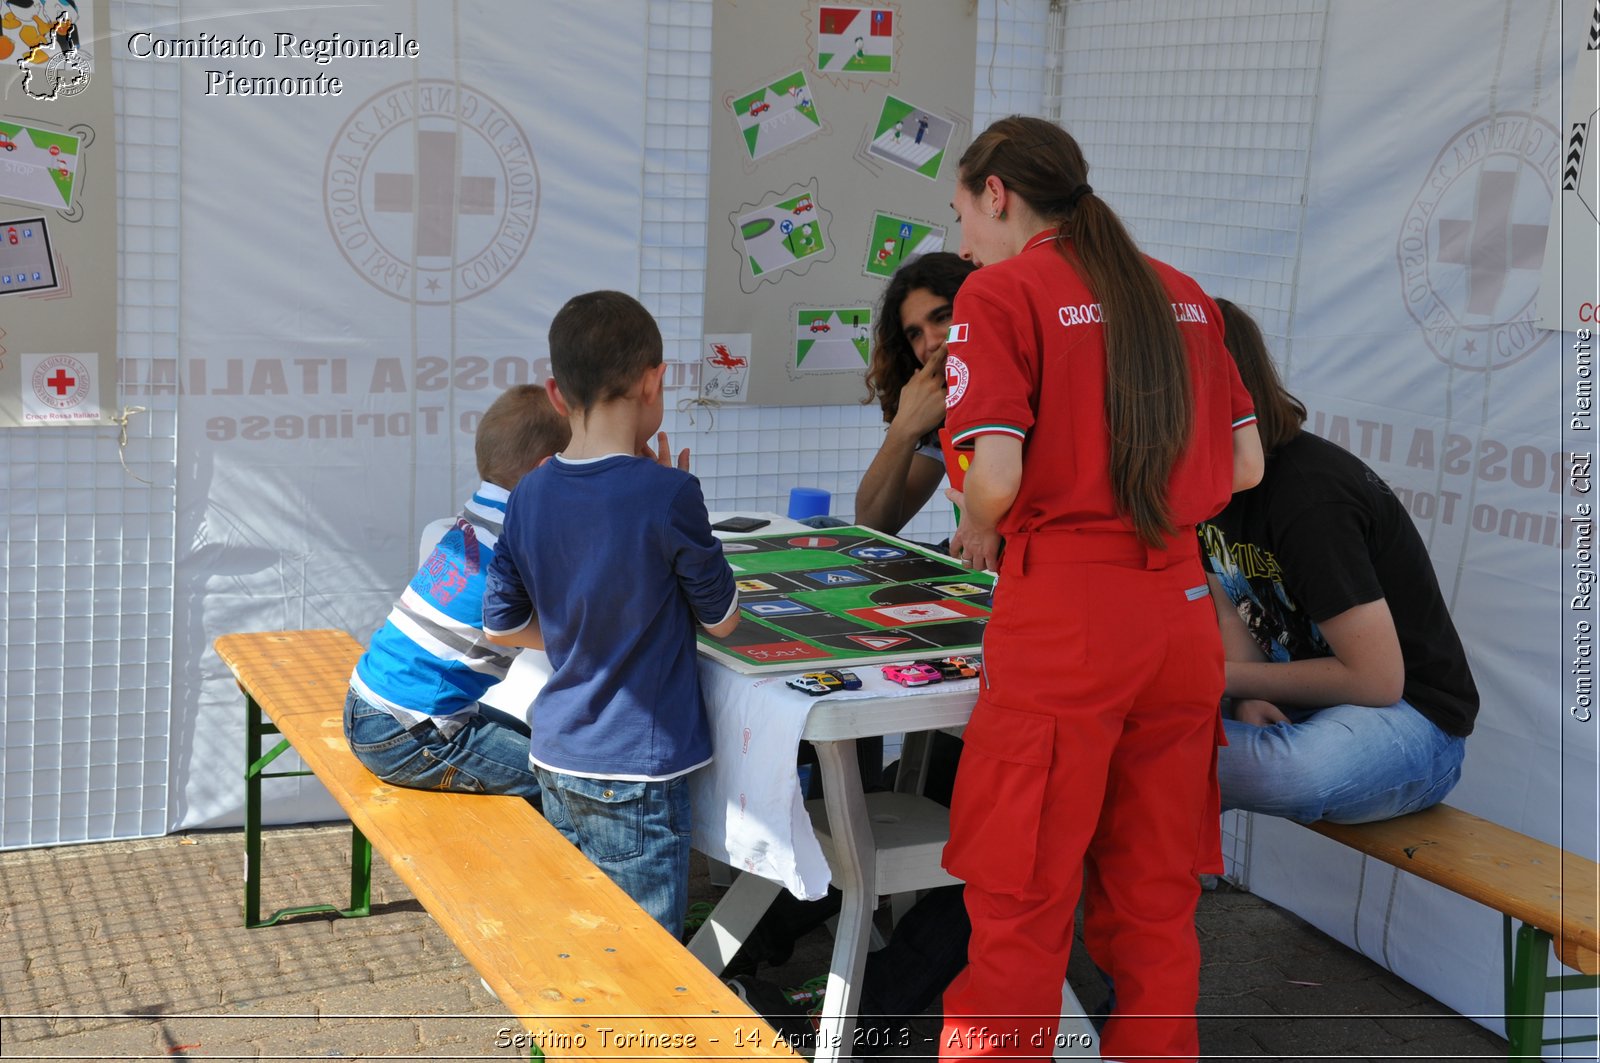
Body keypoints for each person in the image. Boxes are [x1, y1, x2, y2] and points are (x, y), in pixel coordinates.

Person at [936, 115, 1263, 1062]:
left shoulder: (999, 295)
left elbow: (991, 477)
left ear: (999, 193)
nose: (962, 243)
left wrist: (986, 518)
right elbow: (1243, 463)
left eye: (963, 214)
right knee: (1156, 893)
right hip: (1181, 610)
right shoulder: (1186, 295)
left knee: (1021, 893)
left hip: (1069, 619)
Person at [482, 290, 740, 938]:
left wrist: (579, 628)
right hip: (639, 768)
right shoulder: (670, 493)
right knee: (643, 961)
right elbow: (724, 619)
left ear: (556, 391)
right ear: (655, 381)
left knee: (578, 945)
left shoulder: (530, 491)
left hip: (556, 752)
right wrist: (683, 510)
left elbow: (501, 623)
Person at [1202, 299, 1477, 824]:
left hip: (1413, 723)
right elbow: (1233, 613)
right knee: (1127, 719)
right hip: (1309, 704)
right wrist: (1241, 698)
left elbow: (1378, 680)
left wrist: (1221, 682)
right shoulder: (1209, 481)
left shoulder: (1309, 496)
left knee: (1282, 771)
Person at [344, 385, 567, 802]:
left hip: (373, 704)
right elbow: (545, 626)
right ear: (548, 470)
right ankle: (532, 866)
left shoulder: (482, 510)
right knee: (561, 782)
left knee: (541, 749)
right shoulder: (523, 534)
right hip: (410, 730)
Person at [856, 251, 977, 536]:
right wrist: (904, 429)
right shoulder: (944, 408)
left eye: (942, 317)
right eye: (915, 334)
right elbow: (872, 526)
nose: (932, 342)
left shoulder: (1027, 383)